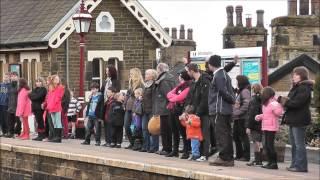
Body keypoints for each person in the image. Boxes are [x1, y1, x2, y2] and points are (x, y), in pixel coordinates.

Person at [279, 66, 313, 173]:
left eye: (296, 74)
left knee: (299, 144)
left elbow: (297, 103)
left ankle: (301, 166)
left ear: (301, 76)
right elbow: (291, 101)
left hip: (299, 119)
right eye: (293, 74)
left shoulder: (304, 87)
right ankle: (294, 164)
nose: (293, 76)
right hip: (293, 119)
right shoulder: (297, 87)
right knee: (294, 144)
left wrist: (284, 101)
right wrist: (285, 101)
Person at [207, 55, 235, 167]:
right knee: (227, 134)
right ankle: (228, 157)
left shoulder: (218, 75)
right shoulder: (223, 74)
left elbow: (222, 91)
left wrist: (232, 100)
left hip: (219, 109)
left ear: (211, 64)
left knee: (221, 134)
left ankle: (224, 157)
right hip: (225, 109)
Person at [185, 63, 211, 162]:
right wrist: (186, 111)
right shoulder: (193, 83)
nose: (187, 73)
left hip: (203, 113)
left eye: (188, 71)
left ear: (192, 71)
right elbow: (189, 98)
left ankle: (205, 154)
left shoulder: (205, 81)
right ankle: (197, 154)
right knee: (195, 134)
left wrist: (198, 113)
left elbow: (205, 99)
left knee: (204, 133)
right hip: (194, 113)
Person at [255, 87, 284, 170]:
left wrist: (277, 105)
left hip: (272, 127)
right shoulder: (266, 103)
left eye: (262, 93)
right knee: (266, 145)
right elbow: (267, 115)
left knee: (270, 145)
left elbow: (279, 113)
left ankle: (274, 163)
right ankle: (270, 162)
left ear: (266, 94)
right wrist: (259, 116)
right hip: (266, 126)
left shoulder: (273, 103)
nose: (261, 94)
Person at [166, 70, 192, 158]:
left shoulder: (188, 87)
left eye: (180, 76)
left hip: (181, 110)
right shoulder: (178, 87)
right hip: (173, 109)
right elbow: (168, 94)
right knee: (174, 131)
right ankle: (175, 150)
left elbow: (180, 97)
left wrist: (174, 98)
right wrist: (175, 98)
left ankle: (186, 151)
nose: (179, 77)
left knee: (183, 132)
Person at [153, 63, 176, 156]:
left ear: (160, 70)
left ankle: (167, 148)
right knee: (166, 129)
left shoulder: (164, 80)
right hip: (168, 107)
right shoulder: (171, 77)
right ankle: (166, 148)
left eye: (157, 70)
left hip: (165, 107)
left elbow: (167, 94)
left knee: (165, 129)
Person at [124, 68, 144, 149]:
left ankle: (137, 143)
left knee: (135, 126)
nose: (130, 75)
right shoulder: (131, 84)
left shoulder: (140, 85)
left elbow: (140, 96)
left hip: (135, 108)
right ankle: (132, 142)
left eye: (131, 74)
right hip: (128, 107)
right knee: (127, 126)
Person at [232, 75, 251, 161]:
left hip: (242, 118)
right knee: (236, 136)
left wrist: (236, 112)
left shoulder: (245, 91)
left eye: (237, 81)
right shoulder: (240, 91)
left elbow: (246, 105)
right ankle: (239, 154)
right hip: (237, 118)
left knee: (243, 137)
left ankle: (246, 156)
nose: (236, 83)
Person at [141, 69, 159, 153]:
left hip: (152, 110)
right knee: (144, 128)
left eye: (147, 74)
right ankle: (146, 146)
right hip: (144, 110)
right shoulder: (145, 85)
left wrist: (155, 111)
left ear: (152, 76)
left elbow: (155, 99)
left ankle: (154, 147)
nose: (145, 75)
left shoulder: (154, 85)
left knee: (153, 129)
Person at [246, 84, 263, 166]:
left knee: (255, 142)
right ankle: (259, 160)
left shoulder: (254, 100)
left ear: (253, 89)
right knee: (259, 141)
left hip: (254, 124)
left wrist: (248, 126)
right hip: (261, 123)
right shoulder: (262, 99)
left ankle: (257, 160)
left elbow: (251, 114)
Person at [44, 75, 64, 143]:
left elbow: (58, 98)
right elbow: (49, 98)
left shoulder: (60, 88)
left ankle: (58, 137)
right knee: (54, 122)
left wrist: (52, 104)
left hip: (57, 107)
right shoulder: (50, 89)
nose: (57, 80)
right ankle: (55, 137)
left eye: (58, 79)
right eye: (55, 79)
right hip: (51, 107)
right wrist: (48, 106)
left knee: (58, 122)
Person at [6, 72, 21, 138]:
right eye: (12, 76)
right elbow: (8, 95)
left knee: (18, 121)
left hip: (17, 106)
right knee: (10, 121)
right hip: (10, 106)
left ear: (17, 77)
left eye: (15, 76)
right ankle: (11, 132)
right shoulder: (9, 86)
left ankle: (18, 132)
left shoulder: (19, 85)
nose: (13, 77)